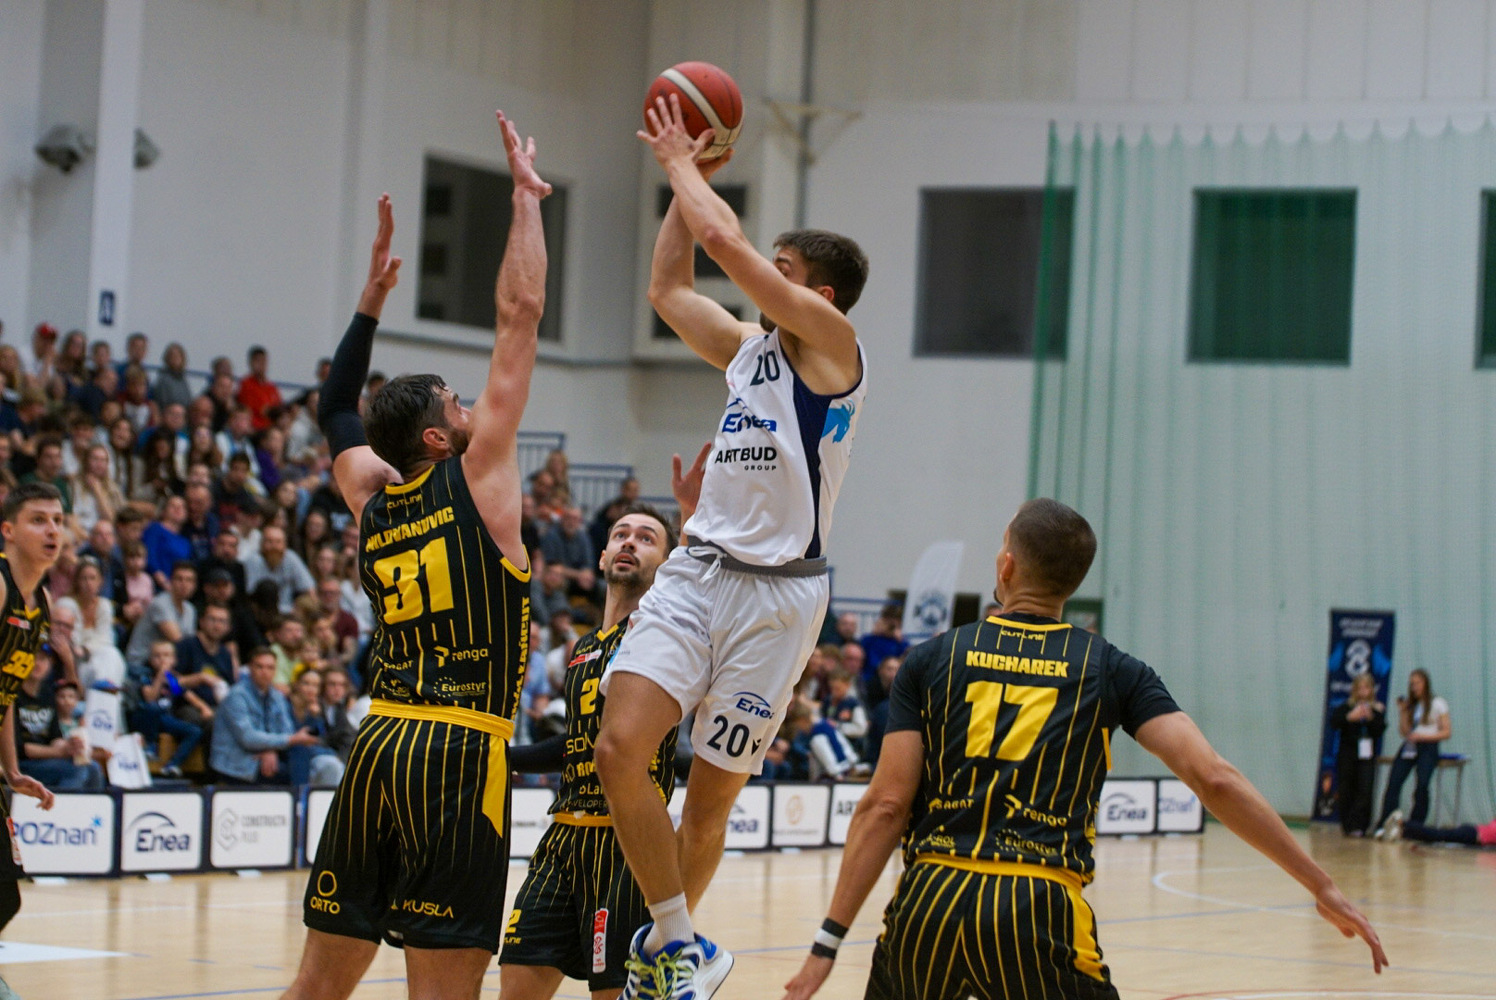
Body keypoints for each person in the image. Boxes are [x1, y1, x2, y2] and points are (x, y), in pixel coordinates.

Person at [778, 499, 1386, 1000]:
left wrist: (826, 944)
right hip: (1037, 905)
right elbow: (1214, 778)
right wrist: (1319, 884)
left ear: (1006, 565)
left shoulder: (931, 659)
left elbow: (885, 806)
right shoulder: (1111, 669)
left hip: (929, 901)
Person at [595, 91, 870, 997]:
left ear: (816, 295)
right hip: (699, 571)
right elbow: (670, 290)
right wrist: (689, 187)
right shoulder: (750, 350)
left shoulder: (834, 348)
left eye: (781, 270)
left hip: (780, 596)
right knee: (618, 747)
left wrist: (684, 164)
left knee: (709, 799)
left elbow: (725, 245)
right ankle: (681, 944)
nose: (762, 278)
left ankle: (660, 954)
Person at [283, 112, 551, 1000]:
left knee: (315, 988)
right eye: (456, 403)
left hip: (379, 743)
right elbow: (520, 315)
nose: (472, 406)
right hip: (459, 752)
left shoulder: (372, 496)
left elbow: (334, 409)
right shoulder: (480, 480)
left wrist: (370, 302)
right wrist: (525, 201)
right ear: (438, 438)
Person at [499, 500, 681, 1000]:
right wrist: (504, 758)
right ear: (601, 557)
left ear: (668, 564)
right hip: (562, 839)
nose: (629, 542)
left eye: (646, 538)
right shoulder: (583, 649)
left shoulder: (663, 637)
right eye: (621, 534)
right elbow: (578, 742)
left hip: (625, 846)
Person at [0, 482, 67, 998]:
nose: (52, 530)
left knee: (6, 894)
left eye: (58, 521)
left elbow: (5, 694)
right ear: (8, 530)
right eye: (38, 520)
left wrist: (11, 769)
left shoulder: (40, 602)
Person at [211, 647, 319, 784]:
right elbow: (248, 738)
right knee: (291, 768)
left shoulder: (277, 696)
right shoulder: (236, 696)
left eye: (270, 668)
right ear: (250, 668)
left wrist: (271, 749)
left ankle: (300, 795)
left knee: (300, 751)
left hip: (265, 755)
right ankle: (300, 794)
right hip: (238, 762)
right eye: (260, 667)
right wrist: (287, 741)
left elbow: (286, 730)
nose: (265, 672)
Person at [1374, 668, 1451, 836]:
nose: (1415, 687)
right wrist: (1403, 712)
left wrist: (1423, 736)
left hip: (1428, 746)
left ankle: (1416, 826)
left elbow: (1446, 732)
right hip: (1410, 745)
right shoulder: (1412, 705)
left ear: (1426, 683)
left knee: (1422, 784)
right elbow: (1405, 731)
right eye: (1412, 684)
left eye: (1418, 683)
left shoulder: (1438, 703)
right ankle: (1386, 822)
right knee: (1394, 781)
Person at [1332, 672, 1386, 836]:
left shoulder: (1376, 709)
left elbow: (1379, 730)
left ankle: (1361, 825)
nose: (1363, 691)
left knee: (1365, 788)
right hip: (1348, 752)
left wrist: (1371, 718)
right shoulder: (1346, 707)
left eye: (1366, 688)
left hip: (1366, 754)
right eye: (1359, 688)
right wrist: (1350, 717)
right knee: (1346, 787)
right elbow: (1334, 722)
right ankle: (1348, 825)